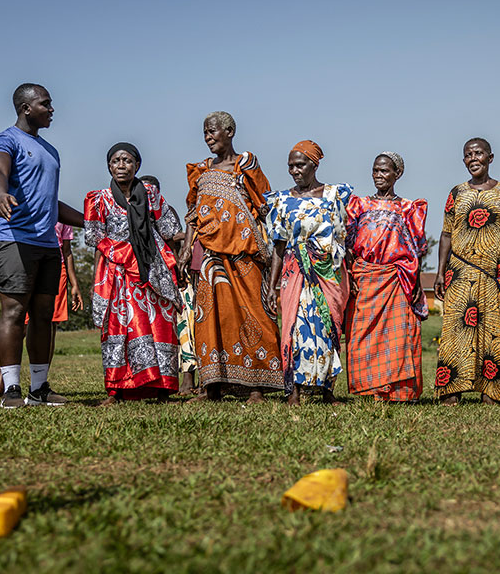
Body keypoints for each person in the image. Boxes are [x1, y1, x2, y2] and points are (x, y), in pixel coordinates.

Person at [0, 83, 84, 409]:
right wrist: (0, 194)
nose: (52, 109)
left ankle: (39, 388)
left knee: (43, 315)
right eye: (46, 104)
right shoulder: (6, 140)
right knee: (14, 311)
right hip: (14, 238)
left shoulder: (50, 151)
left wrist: (90, 221)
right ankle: (12, 389)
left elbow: (49, 202)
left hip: (47, 243)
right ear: (26, 108)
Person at [177, 112, 283, 403]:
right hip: (211, 255)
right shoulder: (200, 170)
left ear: (230, 131)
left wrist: (277, 243)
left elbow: (265, 204)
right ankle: (212, 388)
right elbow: (192, 214)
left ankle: (256, 388)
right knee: (211, 318)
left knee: (253, 314)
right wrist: (187, 249)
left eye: (213, 131)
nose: (209, 137)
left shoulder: (245, 164)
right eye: (205, 133)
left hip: (244, 252)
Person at [84, 143, 182, 404]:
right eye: (115, 161)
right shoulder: (98, 199)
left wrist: (198, 227)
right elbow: (94, 236)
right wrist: (119, 252)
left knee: (159, 326)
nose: (121, 165)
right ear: (109, 166)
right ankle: (117, 391)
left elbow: (169, 228)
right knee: (120, 329)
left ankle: (163, 391)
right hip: (117, 273)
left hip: (152, 270)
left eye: (127, 160)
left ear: (137, 165)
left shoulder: (150, 193)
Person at [433, 137, 500, 405]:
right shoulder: (456, 193)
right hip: (459, 273)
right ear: (464, 161)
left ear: (490, 158)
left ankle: (492, 391)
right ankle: (451, 391)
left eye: (479, 153)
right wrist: (439, 273)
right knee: (456, 331)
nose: (473, 158)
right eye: (468, 155)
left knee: (494, 331)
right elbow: (446, 234)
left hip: (495, 274)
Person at [264, 140, 351, 405]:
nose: (294, 170)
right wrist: (272, 285)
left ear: (314, 164)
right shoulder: (282, 201)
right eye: (290, 165)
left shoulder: (335, 195)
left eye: (300, 164)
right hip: (295, 271)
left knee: (328, 327)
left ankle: (327, 390)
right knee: (295, 328)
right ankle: (294, 391)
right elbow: (278, 245)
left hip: (328, 273)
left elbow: (345, 237)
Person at [344, 152, 428, 402]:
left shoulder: (409, 208)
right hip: (365, 277)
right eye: (375, 170)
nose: (379, 175)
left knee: (400, 336)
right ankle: (371, 389)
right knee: (361, 335)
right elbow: (348, 245)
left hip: (396, 278)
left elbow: (416, 248)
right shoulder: (358, 204)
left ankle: (398, 392)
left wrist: (416, 281)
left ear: (397, 174)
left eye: (384, 171)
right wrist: (350, 277)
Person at [0, 221, 83, 398]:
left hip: (54, 268)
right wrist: (1, 257)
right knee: (19, 324)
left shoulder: (58, 214)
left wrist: (74, 283)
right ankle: (4, 385)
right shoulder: (24, 207)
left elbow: (67, 252)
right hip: (25, 262)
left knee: (48, 325)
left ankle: (39, 384)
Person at [141, 175, 197, 394]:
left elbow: (175, 241)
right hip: (146, 279)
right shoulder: (133, 214)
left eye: (153, 191)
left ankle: (188, 378)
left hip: (174, 277)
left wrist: (179, 272)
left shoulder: (166, 212)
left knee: (184, 326)